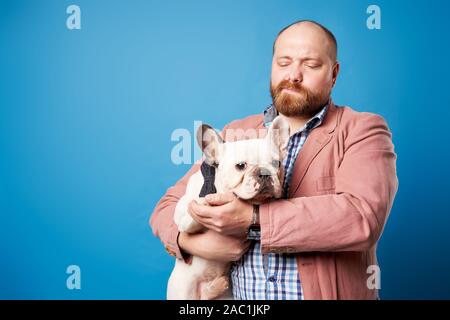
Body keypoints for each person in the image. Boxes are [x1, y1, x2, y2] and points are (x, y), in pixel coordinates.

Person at [150, 20, 398, 300]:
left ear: (334, 74)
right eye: (284, 62)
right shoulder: (235, 134)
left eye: (311, 64)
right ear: (271, 66)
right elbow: (166, 208)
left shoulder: (361, 130)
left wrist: (253, 219)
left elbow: (362, 218)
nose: (294, 75)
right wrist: (193, 243)